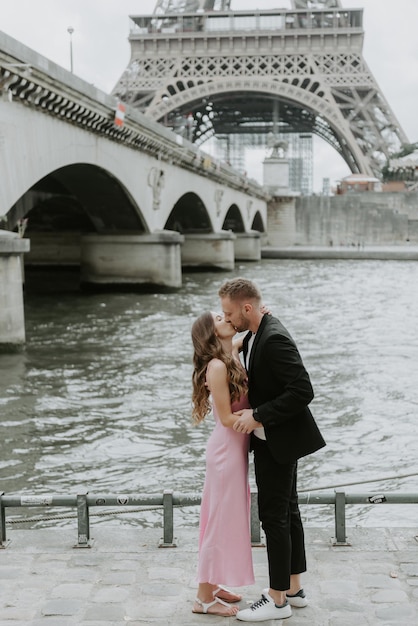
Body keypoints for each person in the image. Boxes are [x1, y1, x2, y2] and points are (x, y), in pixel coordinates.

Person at [218, 278, 326, 622]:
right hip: (279, 439)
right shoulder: (254, 331)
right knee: (288, 512)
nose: (228, 318)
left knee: (274, 518)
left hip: (276, 437)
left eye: (229, 312)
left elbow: (303, 390)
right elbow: (240, 342)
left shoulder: (274, 338)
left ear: (247, 308)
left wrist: (258, 416)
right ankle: (293, 589)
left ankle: (277, 601)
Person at [190, 311, 255, 617]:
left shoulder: (229, 354)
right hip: (226, 453)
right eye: (220, 318)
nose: (226, 318)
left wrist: (260, 317)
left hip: (234, 452)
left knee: (224, 518)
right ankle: (203, 598)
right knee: (217, 522)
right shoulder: (217, 367)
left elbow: (243, 339)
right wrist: (264, 416)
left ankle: (214, 584)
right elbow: (228, 419)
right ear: (212, 333)